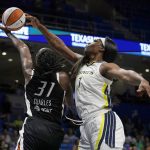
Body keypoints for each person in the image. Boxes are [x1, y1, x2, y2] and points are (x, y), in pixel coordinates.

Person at [26, 14, 150, 150]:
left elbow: (125, 74)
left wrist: (141, 80)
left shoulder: (105, 66)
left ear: (101, 49)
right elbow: (59, 46)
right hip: (86, 125)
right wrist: (40, 27)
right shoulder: (81, 63)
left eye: (95, 41)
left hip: (102, 119)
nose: (90, 42)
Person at [0, 26, 73, 150]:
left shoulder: (29, 73)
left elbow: (22, 47)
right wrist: (68, 104)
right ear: (54, 61)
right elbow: (70, 101)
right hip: (54, 130)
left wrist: (9, 33)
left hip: (33, 127)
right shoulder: (63, 78)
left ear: (37, 62)